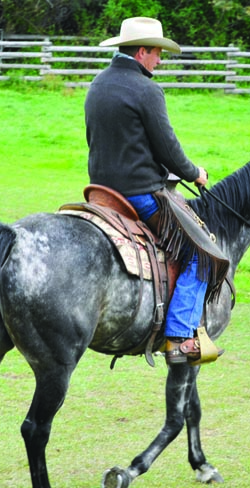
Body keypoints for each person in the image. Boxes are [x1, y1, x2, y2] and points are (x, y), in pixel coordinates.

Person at [85, 17, 224, 365]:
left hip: (100, 192)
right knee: (202, 252)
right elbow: (167, 148)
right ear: (143, 50)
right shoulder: (147, 90)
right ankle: (178, 339)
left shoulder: (97, 84)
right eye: (157, 53)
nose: (160, 61)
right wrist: (195, 173)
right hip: (139, 194)